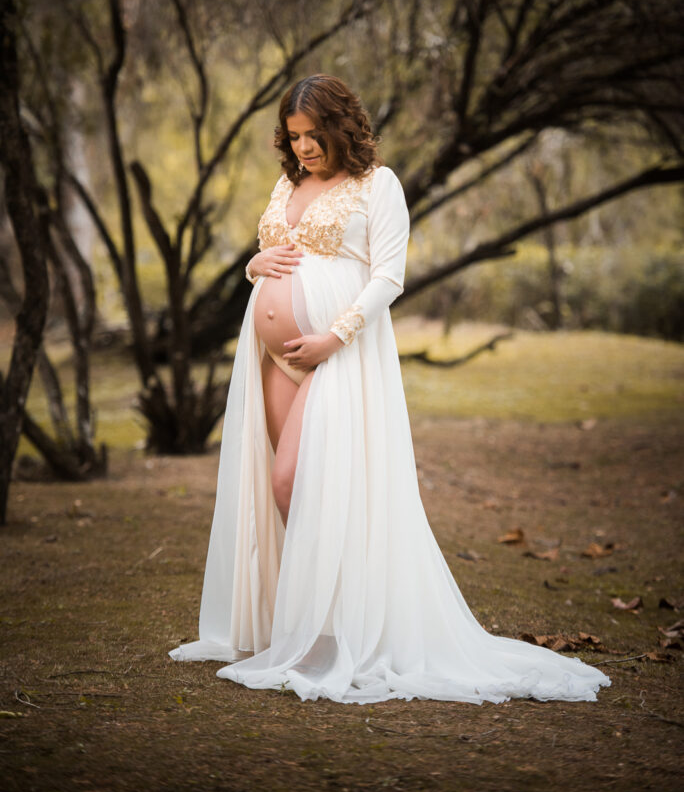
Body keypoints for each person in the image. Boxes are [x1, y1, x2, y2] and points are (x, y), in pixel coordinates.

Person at [169, 73, 611, 705]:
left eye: (314, 135)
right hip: (273, 360)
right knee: (287, 493)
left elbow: (389, 278)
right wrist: (252, 266)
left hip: (335, 358)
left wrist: (332, 338)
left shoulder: (380, 186)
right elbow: (273, 253)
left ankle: (341, 627)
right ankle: (309, 627)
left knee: (293, 481)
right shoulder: (288, 183)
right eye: (293, 137)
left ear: (341, 126)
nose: (304, 148)